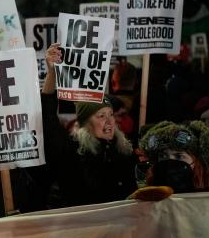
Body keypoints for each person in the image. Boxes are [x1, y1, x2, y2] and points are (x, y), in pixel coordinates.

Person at [42, 43, 137, 206]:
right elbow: (47, 117)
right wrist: (52, 73)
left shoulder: (124, 151)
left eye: (110, 114)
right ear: (85, 123)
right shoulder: (71, 152)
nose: (110, 121)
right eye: (101, 116)